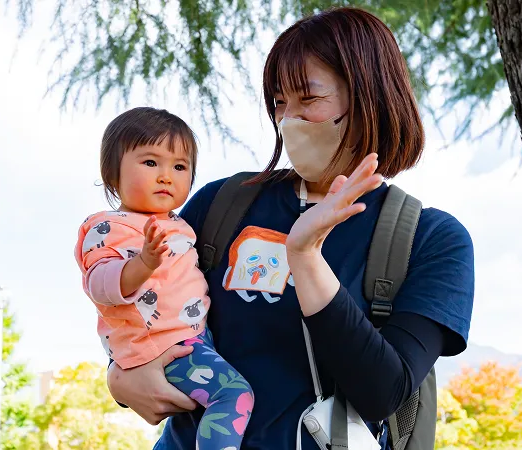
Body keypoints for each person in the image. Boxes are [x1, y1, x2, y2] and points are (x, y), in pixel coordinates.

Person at [105, 7, 475, 450]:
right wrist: (117, 374)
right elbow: (135, 303)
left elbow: (384, 392)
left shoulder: (431, 239)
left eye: (309, 99)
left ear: (368, 99)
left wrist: (304, 256)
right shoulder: (220, 204)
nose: (288, 119)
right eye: (280, 102)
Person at [75, 107, 254, 450]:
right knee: (234, 395)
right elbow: (100, 285)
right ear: (113, 174)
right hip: (162, 347)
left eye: (179, 166)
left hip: (192, 338)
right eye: (150, 162)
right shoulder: (108, 227)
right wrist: (143, 263)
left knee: (206, 408)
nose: (166, 175)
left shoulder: (180, 225)